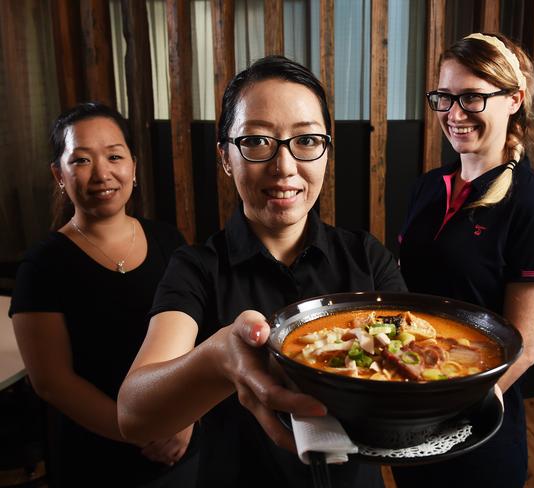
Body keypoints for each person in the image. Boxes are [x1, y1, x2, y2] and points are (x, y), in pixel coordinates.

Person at [117, 56, 406, 488]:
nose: (284, 167)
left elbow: (409, 366)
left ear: (326, 148)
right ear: (225, 157)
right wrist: (217, 358)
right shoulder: (196, 268)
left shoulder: (366, 257)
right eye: (257, 141)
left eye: (306, 140)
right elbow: (133, 414)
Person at [394, 33, 534, 487]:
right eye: (444, 97)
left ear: (514, 99)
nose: (454, 115)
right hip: (408, 406)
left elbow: (525, 350)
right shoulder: (428, 187)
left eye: (472, 97)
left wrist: (450, 419)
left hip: (475, 436)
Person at [10, 103, 199, 487]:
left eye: (114, 156)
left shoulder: (169, 241)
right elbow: (53, 382)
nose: (102, 174)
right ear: (58, 174)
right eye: (81, 160)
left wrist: (186, 420)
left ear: (133, 166)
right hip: (98, 456)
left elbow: (196, 342)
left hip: (181, 445)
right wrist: (138, 430)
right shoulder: (41, 266)